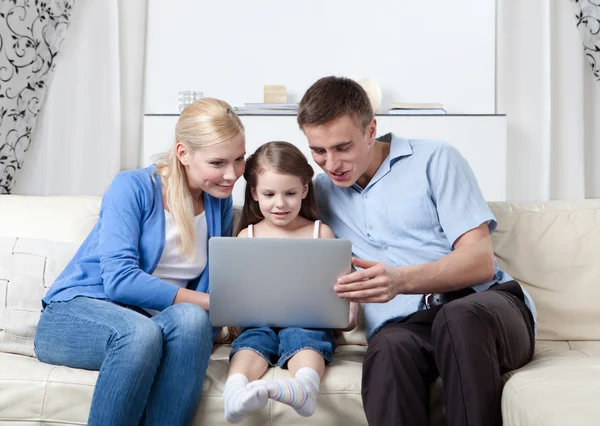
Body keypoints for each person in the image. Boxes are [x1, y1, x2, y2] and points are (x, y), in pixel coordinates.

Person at [296, 76, 537, 426]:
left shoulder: (436, 159)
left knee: (457, 320)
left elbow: (480, 261)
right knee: (387, 349)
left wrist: (401, 280)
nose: (331, 164)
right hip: (408, 326)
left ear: (370, 130)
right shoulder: (318, 193)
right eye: (318, 151)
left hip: (485, 307)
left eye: (342, 147)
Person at [33, 98, 247, 426]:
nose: (231, 174)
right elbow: (120, 280)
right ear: (183, 153)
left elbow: (205, 308)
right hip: (77, 314)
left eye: (239, 159)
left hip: (150, 324)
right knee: (141, 333)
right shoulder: (132, 187)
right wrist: (208, 301)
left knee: (192, 321)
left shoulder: (217, 200)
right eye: (218, 162)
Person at [221, 141, 358, 423]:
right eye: (270, 194)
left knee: (306, 333)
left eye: (290, 193)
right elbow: (236, 292)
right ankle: (235, 390)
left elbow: (343, 287)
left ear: (305, 190)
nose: (280, 203)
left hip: (309, 320)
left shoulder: (321, 233)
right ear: (255, 193)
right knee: (252, 339)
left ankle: (305, 386)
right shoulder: (246, 236)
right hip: (257, 321)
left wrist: (350, 311)